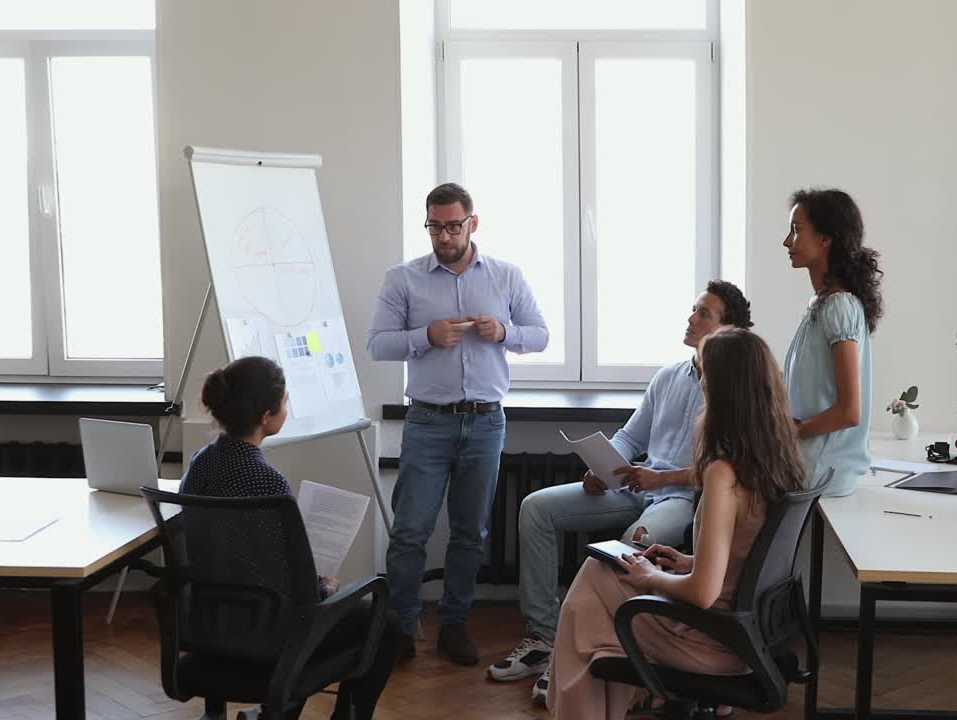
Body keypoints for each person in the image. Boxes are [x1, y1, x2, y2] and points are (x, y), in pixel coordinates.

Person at [489, 281, 754, 706]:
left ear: (729, 330)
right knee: (535, 508)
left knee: (633, 547)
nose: (691, 318)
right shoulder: (668, 376)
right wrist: (603, 467)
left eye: (704, 313)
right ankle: (544, 635)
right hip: (635, 485)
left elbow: (721, 474)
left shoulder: (732, 390)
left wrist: (661, 479)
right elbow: (631, 437)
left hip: (680, 498)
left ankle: (609, 652)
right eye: (694, 309)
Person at [546, 327, 807, 719]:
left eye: (704, 379)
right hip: (746, 635)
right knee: (598, 594)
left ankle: (569, 700)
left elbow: (702, 594)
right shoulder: (777, 458)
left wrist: (650, 577)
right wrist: (685, 561)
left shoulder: (723, 472)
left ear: (722, 392)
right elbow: (749, 555)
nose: (700, 389)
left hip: (711, 638)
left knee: (591, 590)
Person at [367, 182, 549, 666]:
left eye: (452, 225)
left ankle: (453, 625)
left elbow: (541, 335)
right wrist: (424, 336)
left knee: (471, 534)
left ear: (473, 223)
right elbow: (377, 344)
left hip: (486, 422)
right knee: (410, 531)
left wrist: (505, 332)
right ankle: (401, 628)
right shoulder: (403, 279)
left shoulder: (506, 277)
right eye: (435, 226)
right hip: (427, 421)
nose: (444, 236)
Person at [181, 355, 399, 720]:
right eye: (284, 400)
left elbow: (247, 556)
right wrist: (325, 588)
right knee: (385, 622)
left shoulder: (200, 463)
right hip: (267, 632)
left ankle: (279, 712)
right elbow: (290, 581)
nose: (287, 406)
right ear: (267, 416)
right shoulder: (266, 481)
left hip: (212, 621)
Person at [782, 188, 882, 497]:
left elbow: (849, 411)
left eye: (796, 231)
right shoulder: (822, 303)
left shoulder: (838, 306)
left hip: (821, 469)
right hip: (807, 463)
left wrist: (789, 432)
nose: (787, 241)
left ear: (826, 238)